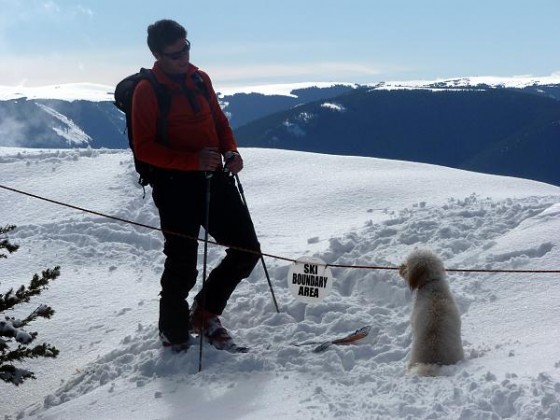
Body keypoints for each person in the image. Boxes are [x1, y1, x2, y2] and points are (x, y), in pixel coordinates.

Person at [131, 19, 260, 351]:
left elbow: (218, 121)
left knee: (246, 250)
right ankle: (173, 334)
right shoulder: (148, 91)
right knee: (182, 265)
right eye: (175, 54)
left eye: (186, 48)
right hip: (174, 187)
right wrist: (192, 161)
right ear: (158, 55)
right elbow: (144, 148)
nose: (183, 57)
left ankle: (203, 313)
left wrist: (230, 151)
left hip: (214, 177)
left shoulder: (200, 79)